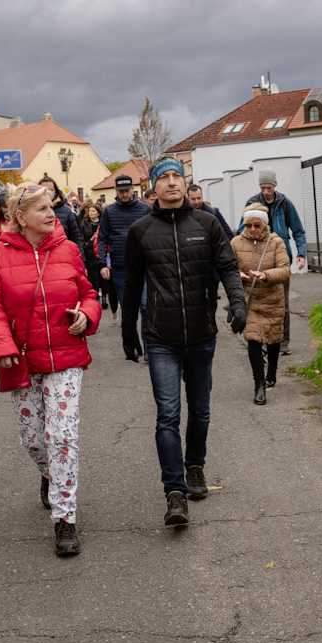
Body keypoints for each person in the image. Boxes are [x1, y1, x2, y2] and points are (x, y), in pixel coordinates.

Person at [0, 182, 102, 557]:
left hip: (65, 356)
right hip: (22, 359)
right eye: (42, 209)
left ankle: (65, 518)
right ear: (20, 217)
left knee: (62, 436)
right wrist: (1, 346)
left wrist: (87, 316)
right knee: (34, 439)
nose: (52, 214)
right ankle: (51, 475)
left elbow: (89, 294)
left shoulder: (68, 250)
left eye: (52, 207)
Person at [122, 158, 245, 527]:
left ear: (184, 183)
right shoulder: (140, 231)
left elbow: (226, 266)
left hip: (202, 334)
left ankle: (195, 467)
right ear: (154, 187)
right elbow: (131, 285)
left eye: (178, 176)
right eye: (165, 178)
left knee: (201, 411)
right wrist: (129, 329)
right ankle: (174, 493)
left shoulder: (206, 224)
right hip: (161, 338)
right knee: (168, 416)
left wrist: (237, 301)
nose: (173, 182)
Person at [230, 203, 290, 405]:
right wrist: (235, 275)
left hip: (273, 298)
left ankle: (272, 370)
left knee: (273, 340)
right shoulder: (236, 243)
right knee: (254, 339)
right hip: (250, 299)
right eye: (249, 225)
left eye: (257, 225)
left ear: (264, 224)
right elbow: (228, 267)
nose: (253, 229)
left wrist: (265, 275)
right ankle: (259, 384)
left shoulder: (276, 242)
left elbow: (285, 270)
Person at [242, 170, 307, 355]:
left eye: (269, 188)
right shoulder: (251, 203)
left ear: (275, 186)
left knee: (282, 303)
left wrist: (301, 253)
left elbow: (298, 231)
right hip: (257, 260)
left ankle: (283, 342)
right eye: (262, 188)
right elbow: (242, 231)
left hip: (280, 260)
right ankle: (261, 341)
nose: (265, 192)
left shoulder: (284, 203)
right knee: (258, 303)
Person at [97, 174, 150, 329]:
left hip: (142, 267)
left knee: (146, 306)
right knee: (128, 311)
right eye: (121, 192)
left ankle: (148, 349)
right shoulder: (109, 211)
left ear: (133, 189)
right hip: (119, 267)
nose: (125, 194)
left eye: (127, 191)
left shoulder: (145, 209)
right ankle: (131, 346)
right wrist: (102, 263)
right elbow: (102, 238)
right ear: (116, 191)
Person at [38, 174, 85, 256]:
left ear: (55, 191)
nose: (47, 193)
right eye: (44, 190)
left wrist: (82, 263)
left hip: (63, 256)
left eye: (51, 190)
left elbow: (76, 239)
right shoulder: (33, 211)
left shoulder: (67, 212)